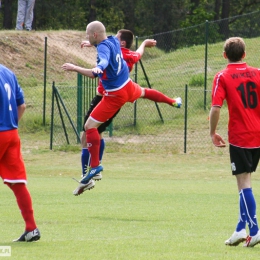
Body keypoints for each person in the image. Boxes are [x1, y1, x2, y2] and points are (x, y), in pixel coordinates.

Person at [61, 21, 182, 196]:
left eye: (88, 35)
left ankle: (94, 167)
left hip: (113, 95)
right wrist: (92, 45)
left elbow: (99, 65)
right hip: (127, 85)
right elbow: (113, 50)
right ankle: (172, 101)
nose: (86, 37)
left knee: (89, 128)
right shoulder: (112, 41)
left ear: (95, 35)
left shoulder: (105, 47)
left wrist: (78, 68)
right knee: (145, 92)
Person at [79, 29, 160, 183]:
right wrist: (144, 44)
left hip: (106, 97)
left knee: (87, 132)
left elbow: (104, 57)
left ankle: (89, 173)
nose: (114, 38)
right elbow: (137, 54)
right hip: (116, 96)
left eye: (117, 36)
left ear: (122, 42)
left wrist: (85, 65)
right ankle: (94, 169)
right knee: (95, 132)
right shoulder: (126, 53)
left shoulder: (117, 51)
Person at [209, 37, 260, 247]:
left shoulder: (223, 76)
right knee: (244, 181)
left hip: (241, 136)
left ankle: (255, 230)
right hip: (258, 134)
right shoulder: (258, 73)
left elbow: (216, 107)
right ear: (244, 54)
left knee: (243, 183)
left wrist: (212, 133)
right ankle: (240, 229)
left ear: (224, 55)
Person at [0, 64, 40, 242]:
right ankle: (31, 229)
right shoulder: (8, 71)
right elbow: (21, 106)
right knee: (17, 182)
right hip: (12, 133)